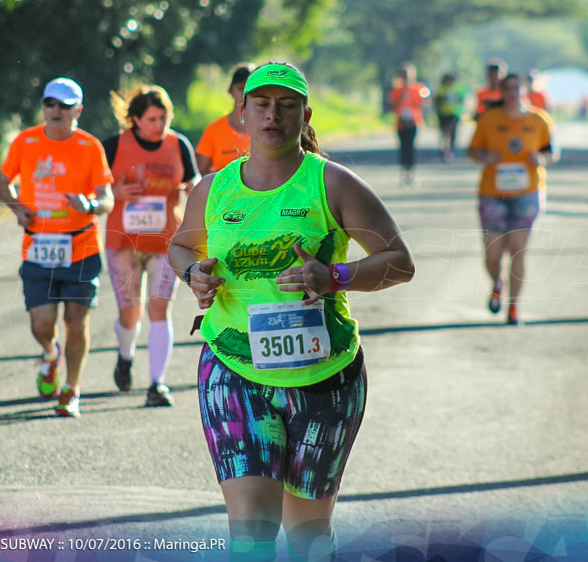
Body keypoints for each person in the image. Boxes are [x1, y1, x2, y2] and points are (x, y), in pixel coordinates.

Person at [168, 61, 414, 561]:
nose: (272, 116)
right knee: (251, 534)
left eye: (286, 105)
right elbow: (181, 247)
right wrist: (193, 275)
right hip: (234, 369)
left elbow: (400, 263)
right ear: (242, 113)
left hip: (326, 376)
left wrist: (336, 277)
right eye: (261, 104)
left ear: (306, 114)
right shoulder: (212, 190)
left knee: (307, 538)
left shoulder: (333, 184)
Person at [0, 77, 114, 418]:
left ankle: (72, 389)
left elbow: (107, 198)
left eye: (64, 105)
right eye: (50, 103)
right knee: (41, 324)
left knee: (77, 322)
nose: (56, 110)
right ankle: (50, 354)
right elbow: (3, 182)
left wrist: (89, 204)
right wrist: (18, 208)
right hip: (39, 248)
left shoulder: (90, 147)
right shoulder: (26, 140)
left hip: (82, 247)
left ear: (78, 110)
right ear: (44, 107)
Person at [102, 84, 200, 407]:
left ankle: (157, 383)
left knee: (160, 310)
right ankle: (125, 355)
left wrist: (192, 186)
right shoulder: (115, 145)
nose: (161, 125)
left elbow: (194, 179)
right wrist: (116, 194)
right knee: (130, 315)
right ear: (135, 120)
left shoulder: (178, 145)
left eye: (165, 118)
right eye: (154, 119)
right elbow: (96, 189)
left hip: (164, 242)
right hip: (124, 243)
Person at [467, 73, 555, 326]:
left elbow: (551, 151)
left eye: (517, 88)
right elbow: (472, 150)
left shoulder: (539, 119)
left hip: (527, 192)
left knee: (518, 250)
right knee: (492, 253)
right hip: (493, 192)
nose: (512, 92)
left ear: (525, 90)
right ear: (502, 92)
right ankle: (497, 282)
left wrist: (540, 159)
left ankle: (514, 307)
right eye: (508, 88)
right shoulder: (489, 119)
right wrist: (485, 157)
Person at [196, 64, 254, 175]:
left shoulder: (266, 128)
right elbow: (201, 171)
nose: (245, 93)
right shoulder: (214, 130)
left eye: (250, 88)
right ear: (230, 91)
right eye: (241, 88)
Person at [388, 63, 429, 186]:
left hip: (413, 122)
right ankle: (403, 175)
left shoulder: (418, 88)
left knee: (411, 148)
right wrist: (401, 97)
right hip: (401, 123)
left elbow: (423, 103)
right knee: (403, 148)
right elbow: (392, 105)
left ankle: (412, 175)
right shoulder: (397, 90)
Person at [434, 72, 467, 161]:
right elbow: (437, 100)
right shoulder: (442, 88)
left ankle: (450, 150)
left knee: (452, 131)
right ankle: (444, 149)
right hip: (443, 113)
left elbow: (462, 99)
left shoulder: (457, 88)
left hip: (454, 113)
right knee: (444, 132)